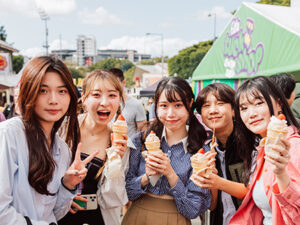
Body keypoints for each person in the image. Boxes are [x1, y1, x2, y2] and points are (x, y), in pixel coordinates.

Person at [0, 56, 98, 224]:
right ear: (28, 93)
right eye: (43, 90)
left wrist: (67, 184)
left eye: (62, 91)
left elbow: (54, 213)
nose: (54, 100)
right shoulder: (9, 134)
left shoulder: (62, 149)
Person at [122, 77, 211, 225]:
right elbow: (126, 194)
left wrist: (170, 174)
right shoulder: (141, 141)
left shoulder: (200, 152)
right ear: (156, 106)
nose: (170, 114)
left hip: (177, 219)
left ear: (189, 104)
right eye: (164, 106)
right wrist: (146, 177)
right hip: (138, 216)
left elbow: (193, 209)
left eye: (178, 105)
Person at [58, 69, 129, 225]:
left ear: (119, 100)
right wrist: (63, 192)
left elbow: (114, 199)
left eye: (112, 95)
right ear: (84, 99)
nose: (104, 102)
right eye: (96, 95)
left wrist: (115, 164)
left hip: (98, 217)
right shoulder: (63, 129)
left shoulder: (121, 143)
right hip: (59, 214)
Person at [229, 76, 300, 225]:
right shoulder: (262, 148)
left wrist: (281, 174)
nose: (252, 113)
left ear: (279, 104)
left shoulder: (292, 147)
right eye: (244, 108)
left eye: (259, 103)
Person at [193, 83, 253, 225]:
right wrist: (208, 177)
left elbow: (254, 192)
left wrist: (218, 182)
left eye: (220, 103)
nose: (213, 110)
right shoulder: (207, 150)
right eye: (206, 106)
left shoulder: (250, 144)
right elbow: (212, 206)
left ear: (234, 110)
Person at [109, 68, 147, 138]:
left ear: (123, 83)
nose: (112, 87)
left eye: (116, 84)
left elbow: (142, 132)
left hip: (129, 147)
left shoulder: (136, 104)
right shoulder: (105, 104)